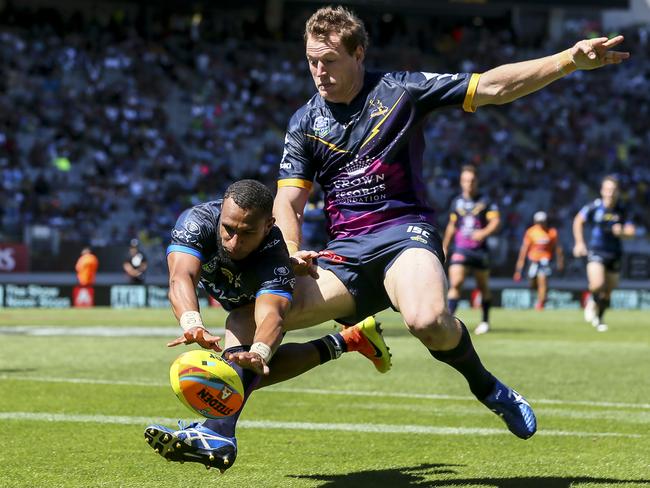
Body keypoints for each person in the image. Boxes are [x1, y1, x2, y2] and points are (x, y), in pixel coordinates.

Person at [167, 4, 628, 464]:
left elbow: (490, 85)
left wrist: (568, 59)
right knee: (245, 323)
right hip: (343, 256)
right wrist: (290, 252)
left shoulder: (401, 91)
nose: (319, 72)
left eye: (329, 60)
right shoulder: (305, 122)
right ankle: (219, 431)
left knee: (427, 322)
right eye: (312, 61)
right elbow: (288, 201)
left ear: (359, 53)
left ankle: (487, 386)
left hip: (404, 236)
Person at [144, 179, 390, 471]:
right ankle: (348, 340)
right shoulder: (196, 223)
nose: (234, 242)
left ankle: (217, 433)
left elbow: (272, 316)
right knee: (236, 374)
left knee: (239, 358)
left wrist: (259, 352)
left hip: (289, 299)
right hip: (243, 301)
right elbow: (181, 277)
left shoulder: (275, 256)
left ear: (268, 224)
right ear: (221, 212)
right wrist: (192, 322)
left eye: (247, 233)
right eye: (228, 229)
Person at [442, 165, 500, 334]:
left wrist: (483, 232)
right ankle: (449, 320)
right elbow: (452, 225)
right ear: (461, 182)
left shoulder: (486, 201)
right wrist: (445, 245)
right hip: (461, 248)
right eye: (466, 180)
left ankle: (485, 321)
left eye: (472, 180)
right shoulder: (456, 202)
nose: (469, 184)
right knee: (456, 282)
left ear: (477, 181)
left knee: (483, 286)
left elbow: (496, 221)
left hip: (480, 250)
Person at [573, 176, 635, 331]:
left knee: (608, 290)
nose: (610, 193)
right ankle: (592, 300)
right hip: (597, 250)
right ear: (602, 191)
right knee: (597, 284)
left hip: (615, 253)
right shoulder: (594, 207)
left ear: (618, 192)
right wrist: (580, 242)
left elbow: (631, 231)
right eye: (607, 190)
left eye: (613, 190)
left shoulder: (623, 210)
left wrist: (622, 232)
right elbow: (578, 221)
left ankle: (599, 318)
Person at [513, 211, 564, 310]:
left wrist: (560, 261)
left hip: (545, 261)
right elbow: (524, 250)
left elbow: (557, 248)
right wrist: (518, 268)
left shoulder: (552, 232)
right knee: (533, 282)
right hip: (533, 261)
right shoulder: (531, 232)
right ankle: (541, 296)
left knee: (543, 280)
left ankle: (541, 303)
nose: (541, 224)